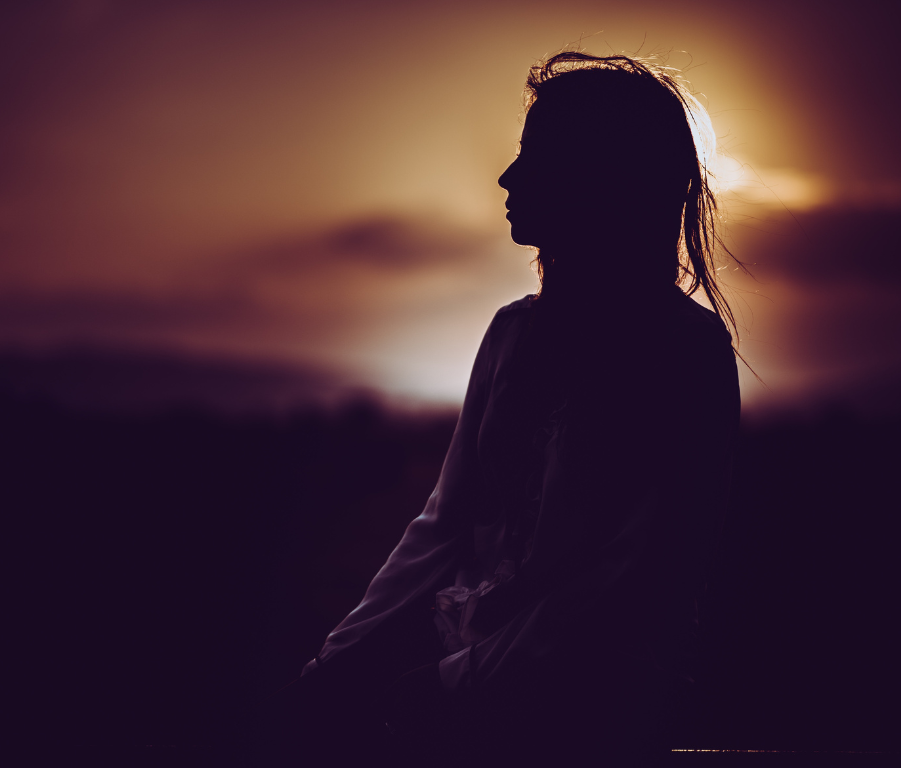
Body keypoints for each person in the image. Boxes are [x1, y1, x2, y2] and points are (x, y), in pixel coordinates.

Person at [254, 51, 742, 768]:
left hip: (592, 715)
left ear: (601, 180)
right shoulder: (513, 334)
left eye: (534, 159)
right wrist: (337, 663)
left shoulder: (683, 352)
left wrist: (450, 686)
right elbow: (445, 524)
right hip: (460, 687)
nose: (509, 178)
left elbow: (631, 579)